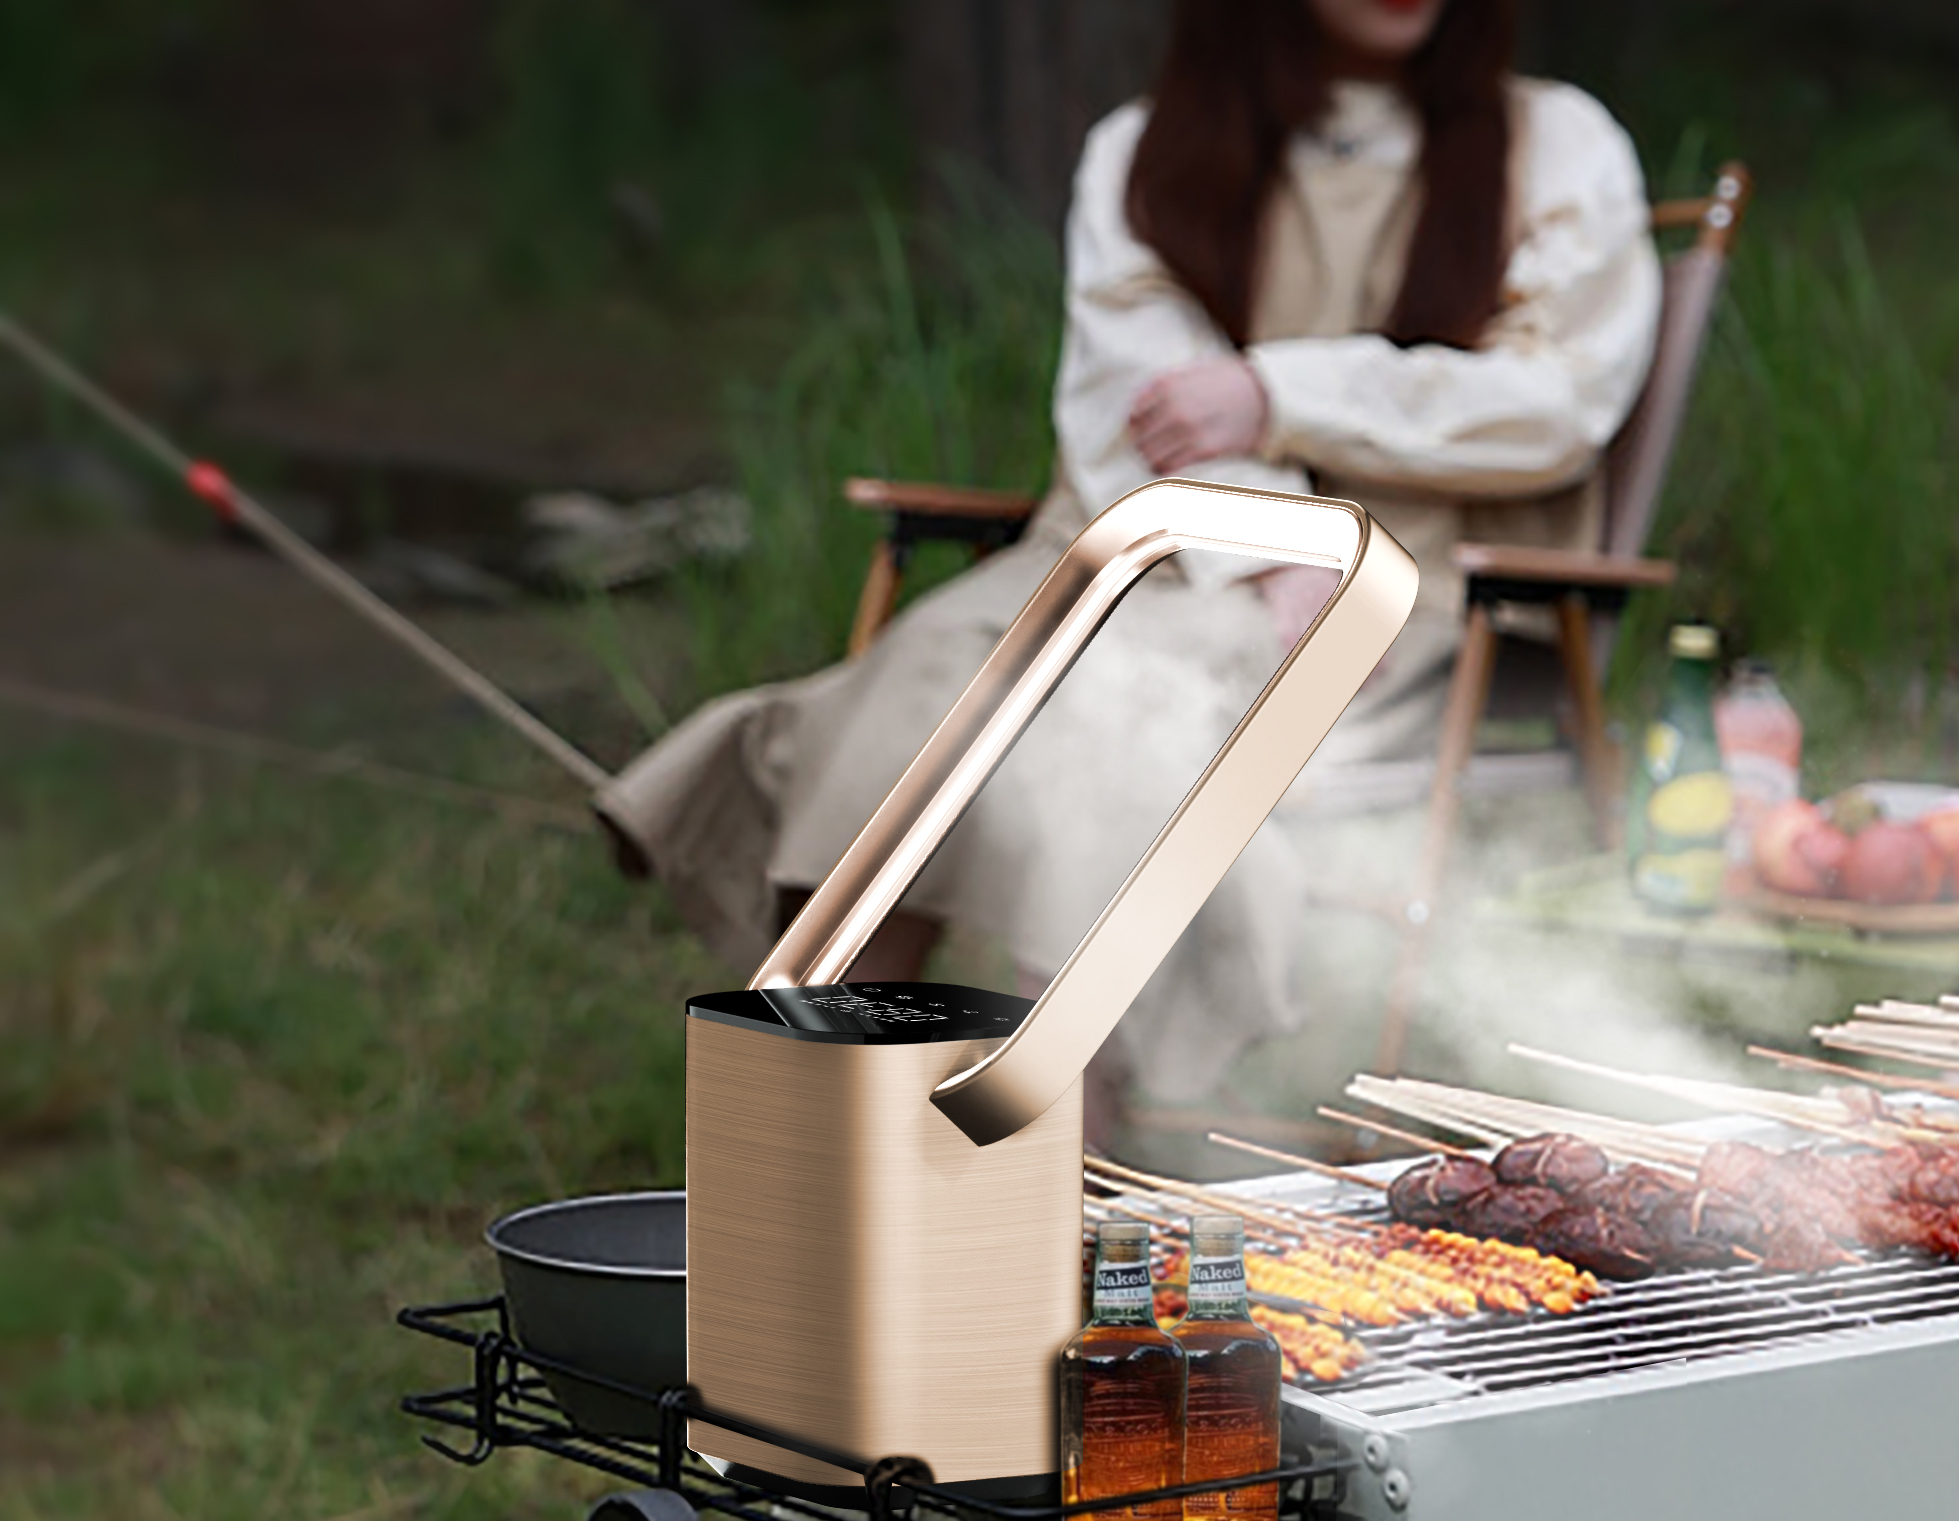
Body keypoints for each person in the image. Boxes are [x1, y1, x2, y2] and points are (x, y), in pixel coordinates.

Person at [599, 0, 1659, 1117]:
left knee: (1111, 721)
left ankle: (1052, 1148)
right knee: (926, 688)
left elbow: (1555, 400)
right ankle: (830, 1136)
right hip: (1140, 536)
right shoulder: (1143, 152)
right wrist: (1266, 537)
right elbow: (1133, 404)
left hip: (1410, 580)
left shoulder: (1558, 144)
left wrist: (1279, 395)